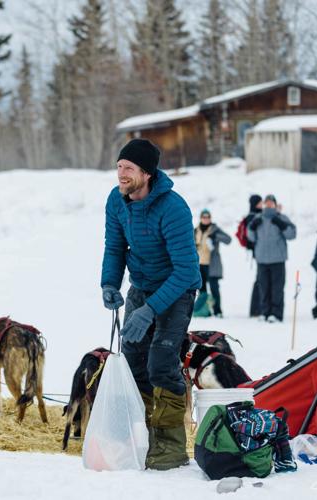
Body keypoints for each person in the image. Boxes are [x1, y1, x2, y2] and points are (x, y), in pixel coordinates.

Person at [100, 138, 201, 470]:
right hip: (141, 288)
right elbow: (115, 248)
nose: (121, 173)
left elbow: (187, 271)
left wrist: (151, 310)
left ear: (146, 172)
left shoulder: (173, 208)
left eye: (128, 168)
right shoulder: (117, 202)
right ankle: (141, 436)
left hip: (177, 289)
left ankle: (170, 446)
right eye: (119, 167)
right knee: (133, 360)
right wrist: (110, 284)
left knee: (161, 360)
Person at [246, 194, 296, 323]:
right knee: (263, 288)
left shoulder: (281, 217)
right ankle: (264, 312)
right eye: (266, 203)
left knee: (277, 288)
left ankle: (276, 314)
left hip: (277, 259)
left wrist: (282, 225)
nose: (268, 205)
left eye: (271, 203)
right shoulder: (258, 218)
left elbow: (292, 234)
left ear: (275, 204)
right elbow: (251, 237)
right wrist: (251, 227)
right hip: (262, 259)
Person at [194, 209, 232, 317]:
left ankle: (217, 311)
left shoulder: (215, 230)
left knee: (214, 288)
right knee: (202, 290)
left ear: (210, 218)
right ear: (201, 218)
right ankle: (205, 311)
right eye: (204, 217)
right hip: (199, 264)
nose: (206, 219)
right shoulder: (196, 230)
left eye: (208, 217)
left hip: (212, 265)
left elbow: (228, 239)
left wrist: (215, 237)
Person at [241, 194, 263, 317]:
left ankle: (256, 309)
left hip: (259, 252)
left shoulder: (253, 215)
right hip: (259, 253)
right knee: (260, 280)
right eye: (260, 202)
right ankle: (256, 309)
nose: (262, 205)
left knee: (259, 279)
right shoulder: (253, 217)